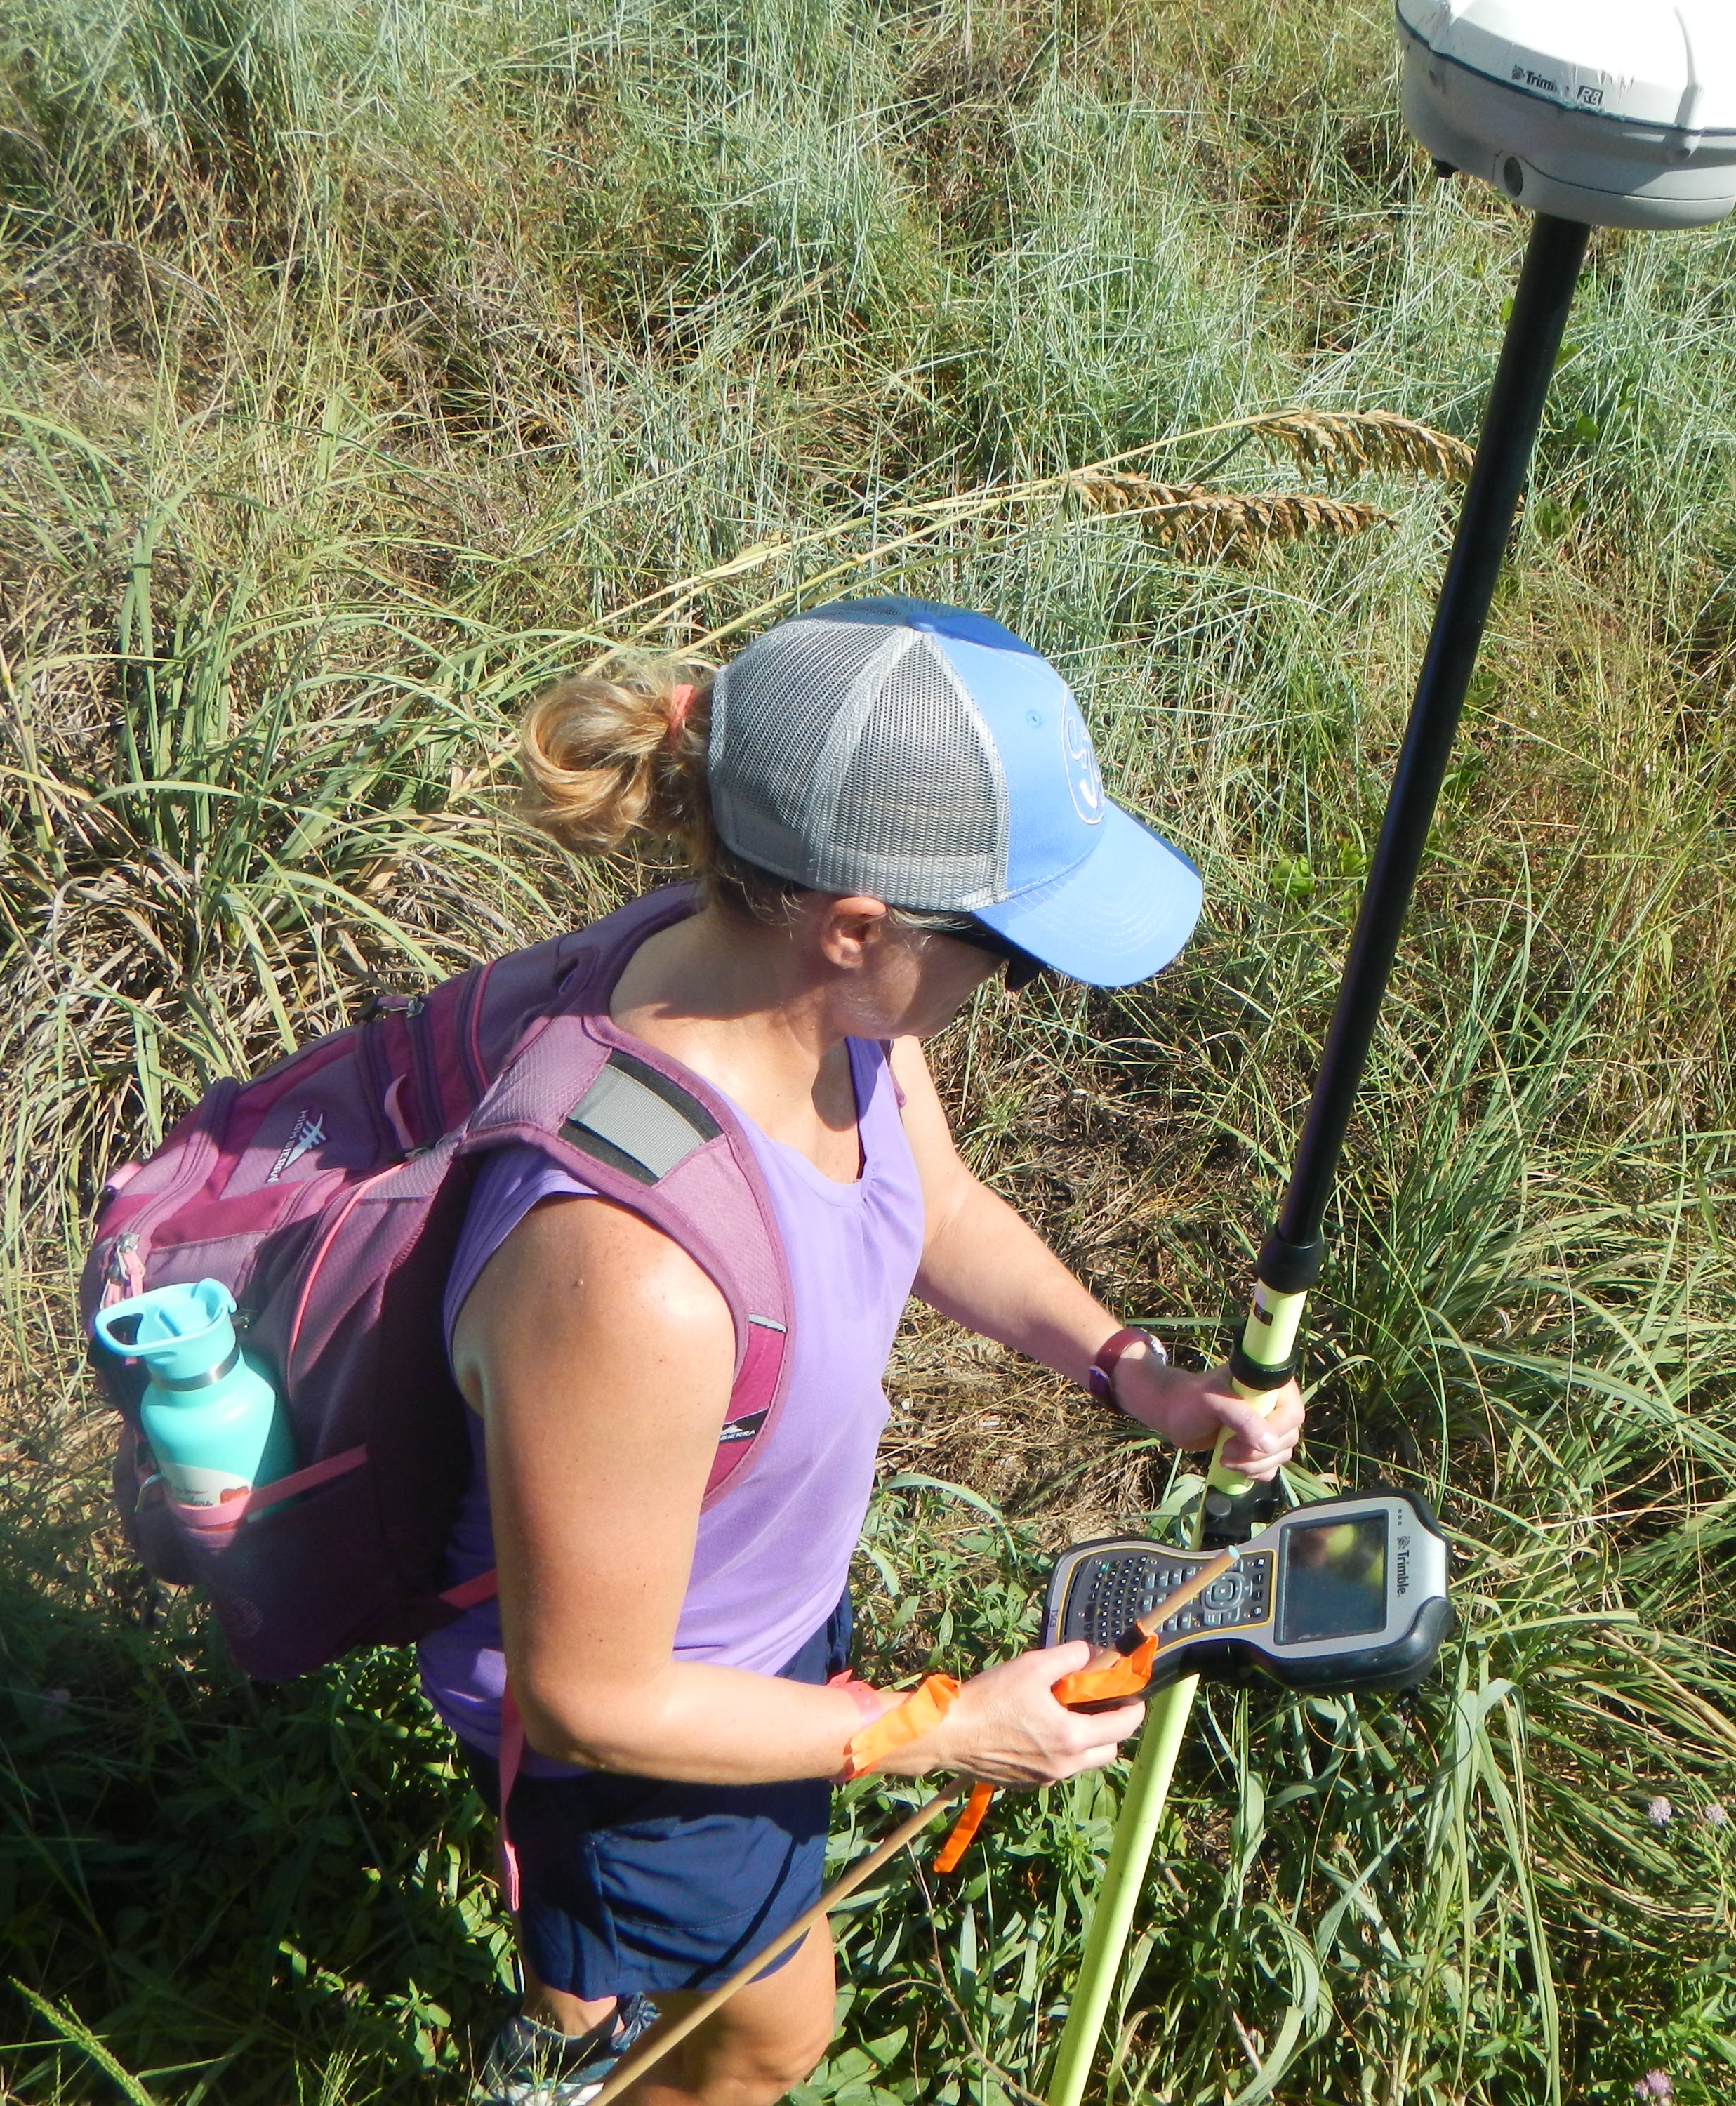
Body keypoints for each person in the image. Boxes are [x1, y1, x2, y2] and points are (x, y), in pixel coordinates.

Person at [422, 599, 1305, 2106]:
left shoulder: (814, 1008)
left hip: (756, 1624)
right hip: (662, 1725)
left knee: (645, 1963)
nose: (1013, 994)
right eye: (1011, 957)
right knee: (769, 2040)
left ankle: (566, 2006)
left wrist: (1129, 1370)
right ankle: (569, 2052)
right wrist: (943, 1731)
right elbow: (589, 1699)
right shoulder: (629, 1277)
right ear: (856, 925)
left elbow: (935, 1199)